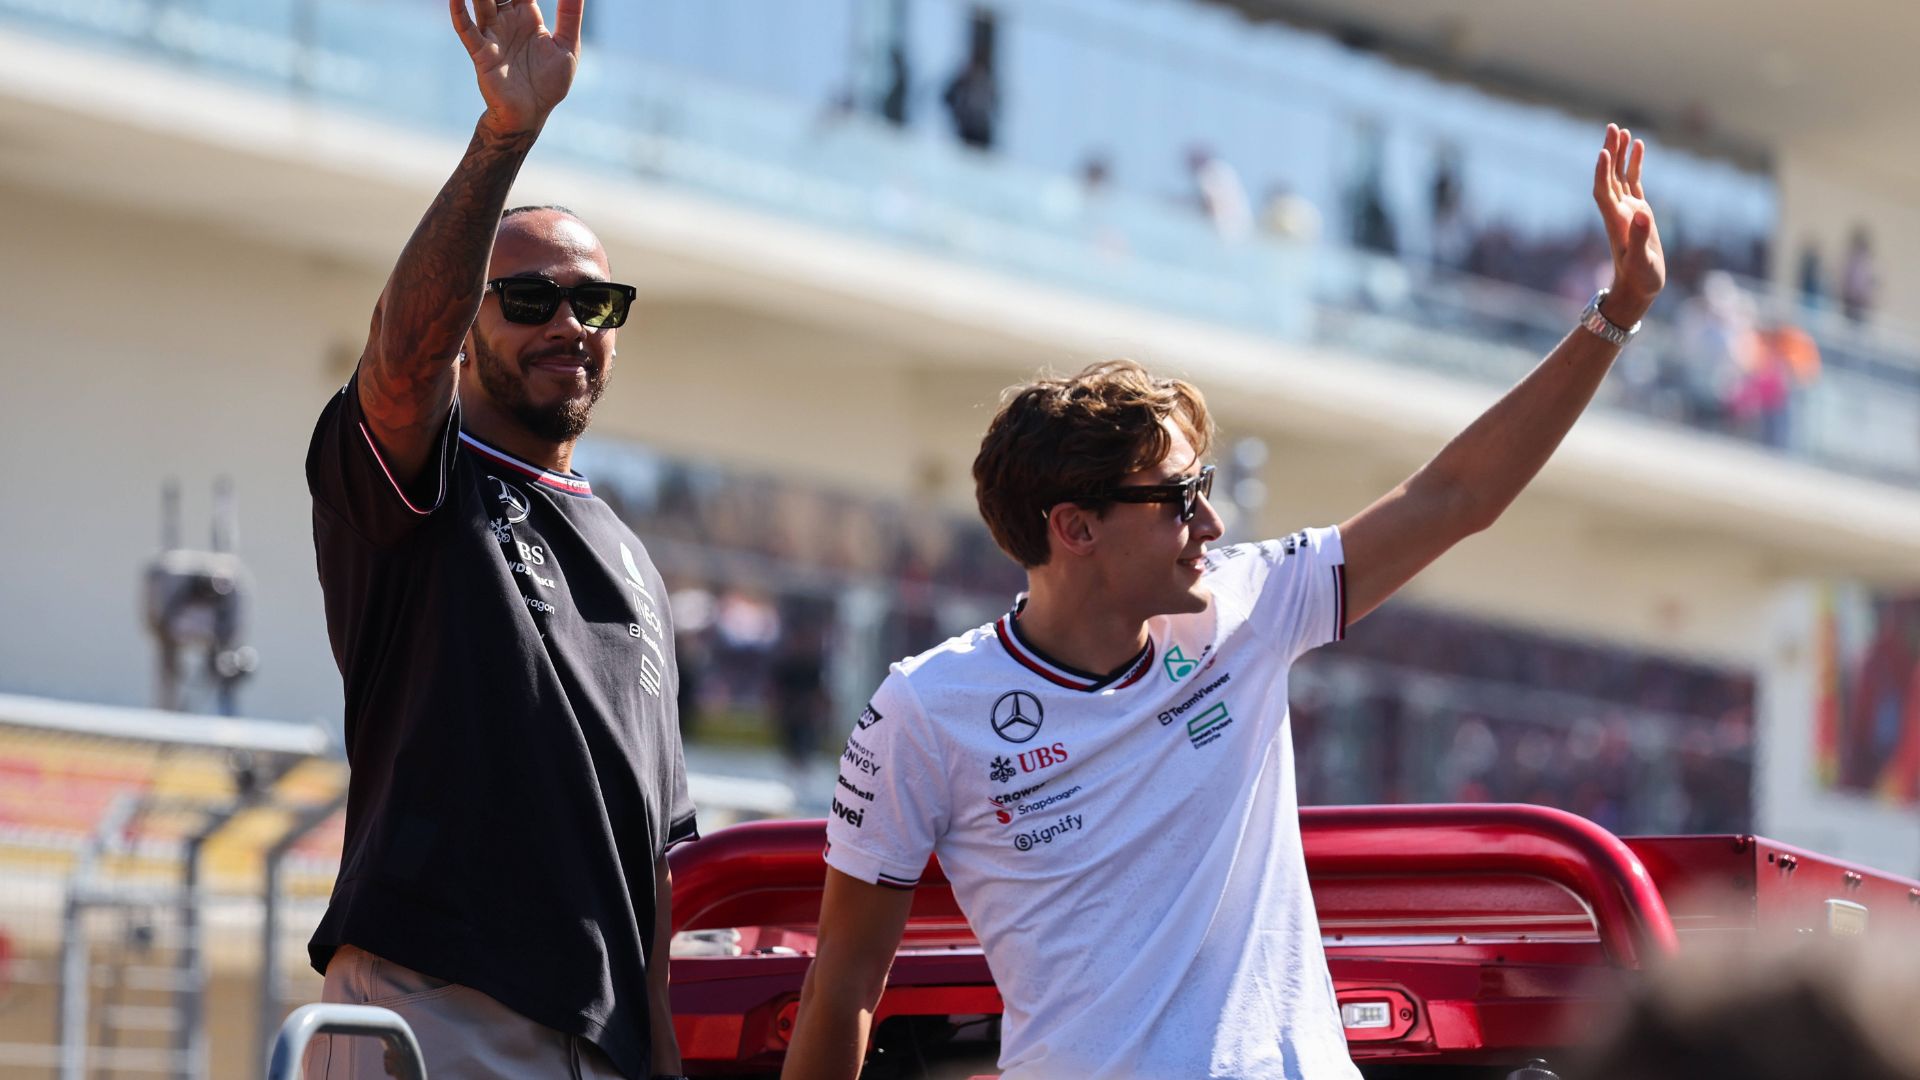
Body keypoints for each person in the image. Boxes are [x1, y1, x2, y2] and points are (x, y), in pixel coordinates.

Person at [782, 124, 1666, 1080]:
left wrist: (1614, 315)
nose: (1211, 523)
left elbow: (1454, 498)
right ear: (1074, 528)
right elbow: (844, 989)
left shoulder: (1246, 602)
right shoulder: (922, 710)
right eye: (1176, 500)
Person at [302, 2, 696, 1077]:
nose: (570, 322)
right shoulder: (425, 477)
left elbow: (658, 846)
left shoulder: (629, 549)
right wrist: (504, 137)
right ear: (470, 326)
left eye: (596, 301)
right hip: (438, 1006)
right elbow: (397, 368)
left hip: (601, 1039)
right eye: (527, 298)